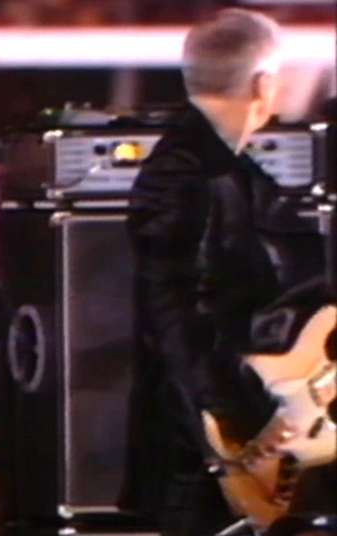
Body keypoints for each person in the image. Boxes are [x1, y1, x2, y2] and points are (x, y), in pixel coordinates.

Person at [123, 9, 335, 535]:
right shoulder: (185, 172)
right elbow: (173, 313)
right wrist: (248, 417)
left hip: (249, 424)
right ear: (262, 85)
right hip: (210, 446)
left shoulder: (223, 167)